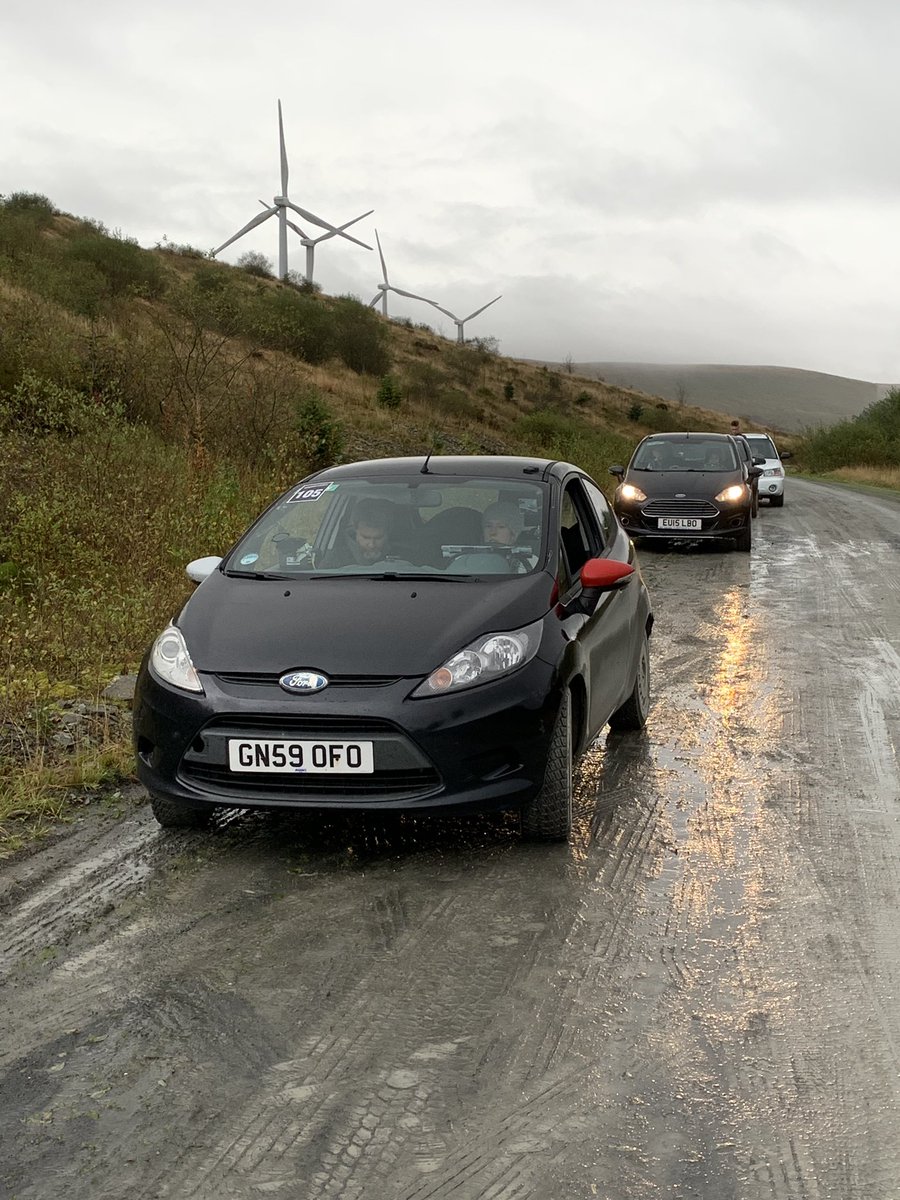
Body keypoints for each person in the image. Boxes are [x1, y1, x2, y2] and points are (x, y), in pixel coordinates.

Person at [320, 499, 394, 567]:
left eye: (378, 538)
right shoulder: (335, 558)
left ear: (387, 533)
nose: (372, 545)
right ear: (355, 530)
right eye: (365, 537)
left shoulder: (399, 554)